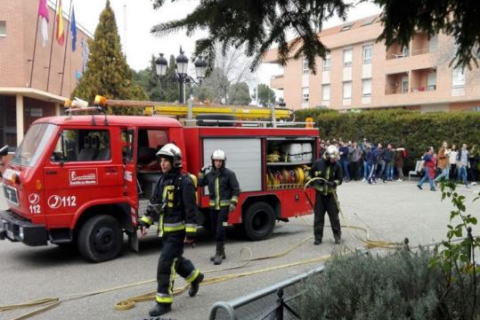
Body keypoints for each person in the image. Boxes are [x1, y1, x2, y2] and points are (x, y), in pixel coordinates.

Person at [139, 143, 204, 317]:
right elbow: (154, 203)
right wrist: (145, 222)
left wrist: (191, 233)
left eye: (166, 160)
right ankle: (195, 277)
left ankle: (164, 302)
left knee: (165, 264)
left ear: (175, 161)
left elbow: (191, 210)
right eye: (161, 160)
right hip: (165, 232)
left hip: (178, 232)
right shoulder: (162, 180)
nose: (162, 163)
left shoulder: (185, 181)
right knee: (176, 260)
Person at [198, 149, 240, 265]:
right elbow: (200, 183)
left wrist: (233, 203)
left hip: (224, 209)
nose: (218, 163)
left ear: (223, 162)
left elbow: (236, 190)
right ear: (212, 161)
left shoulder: (229, 174)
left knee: (221, 228)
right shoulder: (210, 174)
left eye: (220, 161)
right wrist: (201, 172)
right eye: (216, 160)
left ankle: (218, 253)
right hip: (213, 208)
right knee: (214, 229)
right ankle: (222, 251)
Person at [307, 145, 343, 245]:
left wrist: (334, 183)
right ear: (327, 156)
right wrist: (315, 182)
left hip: (331, 196)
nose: (334, 160)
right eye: (333, 158)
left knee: (334, 218)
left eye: (335, 158)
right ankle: (318, 238)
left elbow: (340, 179)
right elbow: (309, 175)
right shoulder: (318, 163)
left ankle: (337, 237)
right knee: (318, 218)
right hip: (320, 196)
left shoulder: (337, 165)